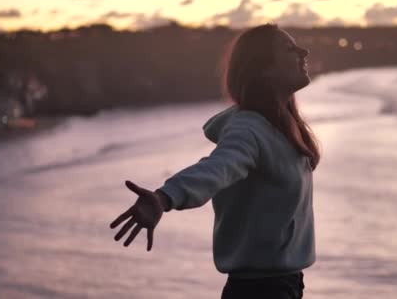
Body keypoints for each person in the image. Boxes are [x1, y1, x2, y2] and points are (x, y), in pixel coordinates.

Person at [110, 23, 321, 299]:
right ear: (264, 68)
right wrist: (164, 197)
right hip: (260, 292)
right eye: (289, 49)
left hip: (286, 286)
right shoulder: (248, 129)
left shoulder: (283, 128)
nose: (303, 52)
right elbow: (217, 168)